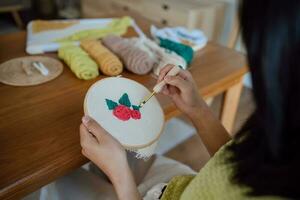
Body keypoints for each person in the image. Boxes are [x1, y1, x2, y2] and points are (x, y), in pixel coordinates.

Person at [79, 0, 300, 199]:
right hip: (177, 187)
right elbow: (235, 165)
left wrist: (120, 175)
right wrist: (198, 110)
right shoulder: (283, 130)